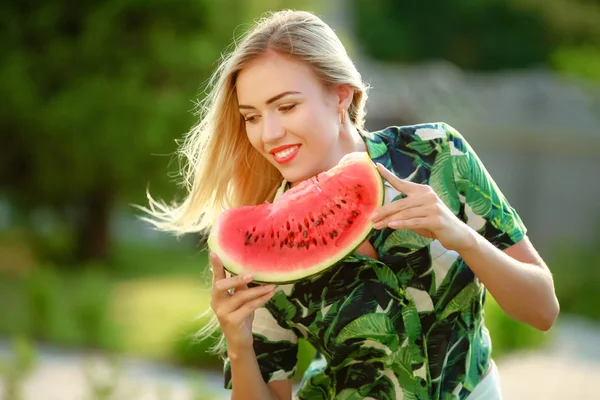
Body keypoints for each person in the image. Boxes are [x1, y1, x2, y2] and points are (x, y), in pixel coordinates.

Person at [143, 9, 560, 400]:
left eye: (286, 106)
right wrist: (238, 343)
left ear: (341, 96)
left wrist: (463, 238)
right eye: (251, 116)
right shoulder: (258, 250)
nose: (267, 134)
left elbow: (543, 310)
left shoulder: (437, 156)